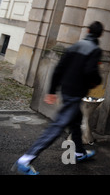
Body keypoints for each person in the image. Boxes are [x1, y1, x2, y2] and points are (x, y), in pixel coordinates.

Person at [12, 21, 104, 175]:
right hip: (76, 93)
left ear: (87, 30)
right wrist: (96, 81)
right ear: (100, 35)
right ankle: (25, 160)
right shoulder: (95, 50)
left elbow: (59, 68)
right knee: (56, 128)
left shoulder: (75, 46)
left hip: (67, 90)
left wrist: (52, 91)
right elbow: (90, 72)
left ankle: (79, 153)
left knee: (76, 122)